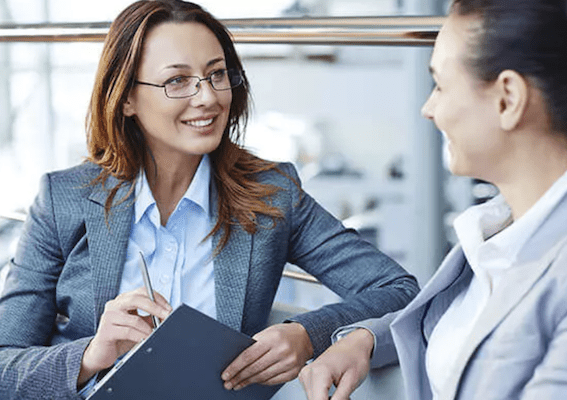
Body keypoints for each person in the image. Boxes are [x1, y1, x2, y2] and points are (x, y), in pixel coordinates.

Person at [0, 1, 420, 398]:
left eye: (217, 74)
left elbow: (396, 288)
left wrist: (307, 334)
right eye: (177, 80)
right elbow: (4, 367)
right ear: (126, 98)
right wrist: (90, 357)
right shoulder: (64, 199)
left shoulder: (273, 195)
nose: (208, 97)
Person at [299, 0, 567, 399]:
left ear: (508, 98)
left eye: (440, 85)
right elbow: (470, 329)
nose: (428, 109)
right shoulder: (499, 232)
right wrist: (367, 340)